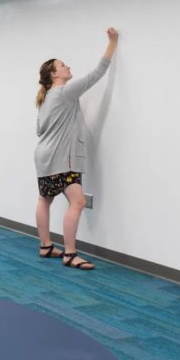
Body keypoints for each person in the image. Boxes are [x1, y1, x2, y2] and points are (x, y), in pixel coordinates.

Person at [33, 28, 118, 270]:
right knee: (78, 202)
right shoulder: (64, 91)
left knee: (44, 198)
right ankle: (70, 254)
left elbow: (39, 130)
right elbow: (97, 73)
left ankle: (46, 246)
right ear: (54, 74)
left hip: (43, 157)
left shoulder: (45, 97)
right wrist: (112, 43)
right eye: (62, 65)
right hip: (61, 159)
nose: (68, 66)